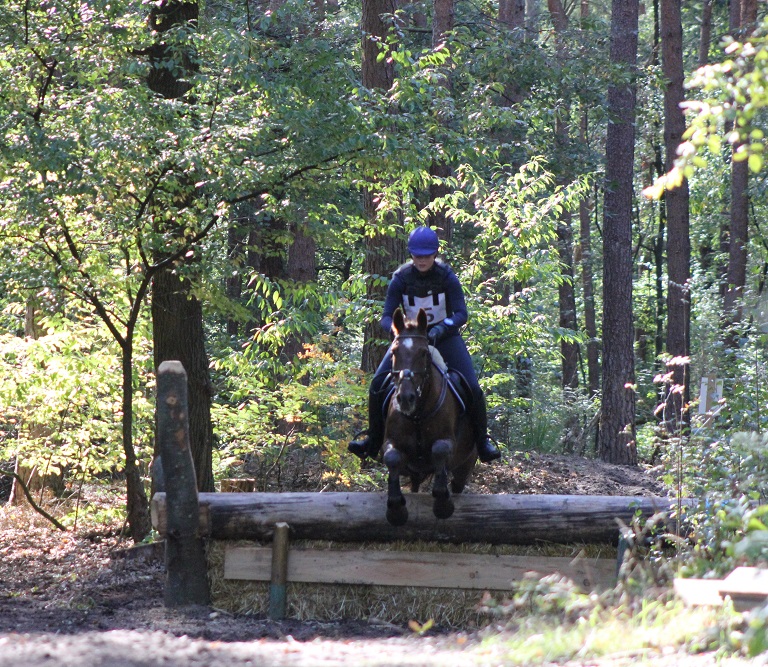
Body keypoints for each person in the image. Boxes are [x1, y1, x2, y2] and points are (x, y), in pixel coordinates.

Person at [349, 226, 501, 463]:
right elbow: (386, 316)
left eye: (427, 255)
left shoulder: (447, 277)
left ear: (435, 254)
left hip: (445, 337)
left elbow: (461, 313)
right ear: (411, 255)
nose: (422, 260)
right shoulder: (401, 278)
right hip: (410, 339)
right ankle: (373, 441)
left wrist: (442, 328)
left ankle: (482, 442)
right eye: (418, 255)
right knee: (377, 384)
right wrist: (398, 333)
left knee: (472, 385)